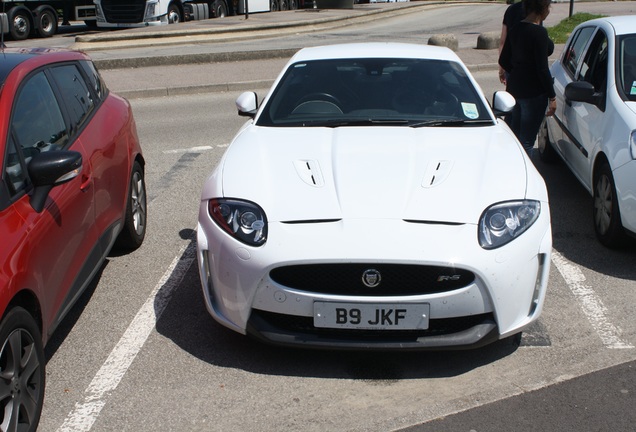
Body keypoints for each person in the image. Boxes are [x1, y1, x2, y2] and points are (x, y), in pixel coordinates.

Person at [498, 0, 556, 157]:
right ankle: (525, 175)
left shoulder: (516, 29)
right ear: (543, 9)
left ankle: (511, 170)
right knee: (527, 141)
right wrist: (552, 96)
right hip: (534, 94)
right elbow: (542, 69)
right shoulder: (539, 33)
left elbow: (503, 60)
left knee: (514, 137)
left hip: (515, 90)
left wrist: (517, 73)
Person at [499, 0, 525, 85]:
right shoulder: (535, 11)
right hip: (530, 69)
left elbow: (503, 41)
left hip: (511, 66)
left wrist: (501, 69)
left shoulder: (511, 10)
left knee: (511, 97)